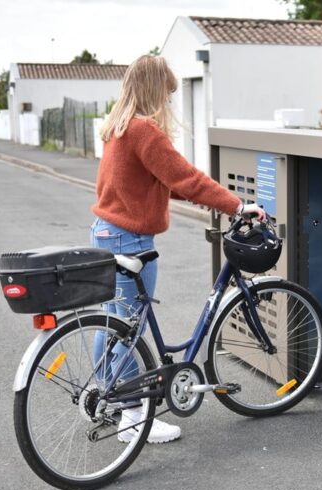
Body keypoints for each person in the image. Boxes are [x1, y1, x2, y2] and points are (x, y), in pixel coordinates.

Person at [90, 55, 265, 443]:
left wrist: (204, 198)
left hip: (105, 233)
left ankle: (106, 394)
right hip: (130, 241)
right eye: (167, 93)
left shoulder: (117, 127)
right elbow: (185, 177)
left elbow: (157, 181)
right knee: (129, 331)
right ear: (154, 90)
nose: (168, 101)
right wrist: (237, 206)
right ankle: (134, 416)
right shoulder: (144, 131)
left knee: (113, 323)